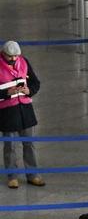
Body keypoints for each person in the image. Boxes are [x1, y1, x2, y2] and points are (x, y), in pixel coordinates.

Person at [0, 42, 41, 189]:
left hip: (25, 110)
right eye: (9, 56)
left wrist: (29, 90)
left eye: (16, 56)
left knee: (29, 144)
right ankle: (12, 176)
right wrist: (6, 93)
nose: (13, 59)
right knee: (10, 145)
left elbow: (35, 83)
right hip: (7, 112)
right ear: (3, 54)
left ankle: (33, 174)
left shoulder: (24, 62)